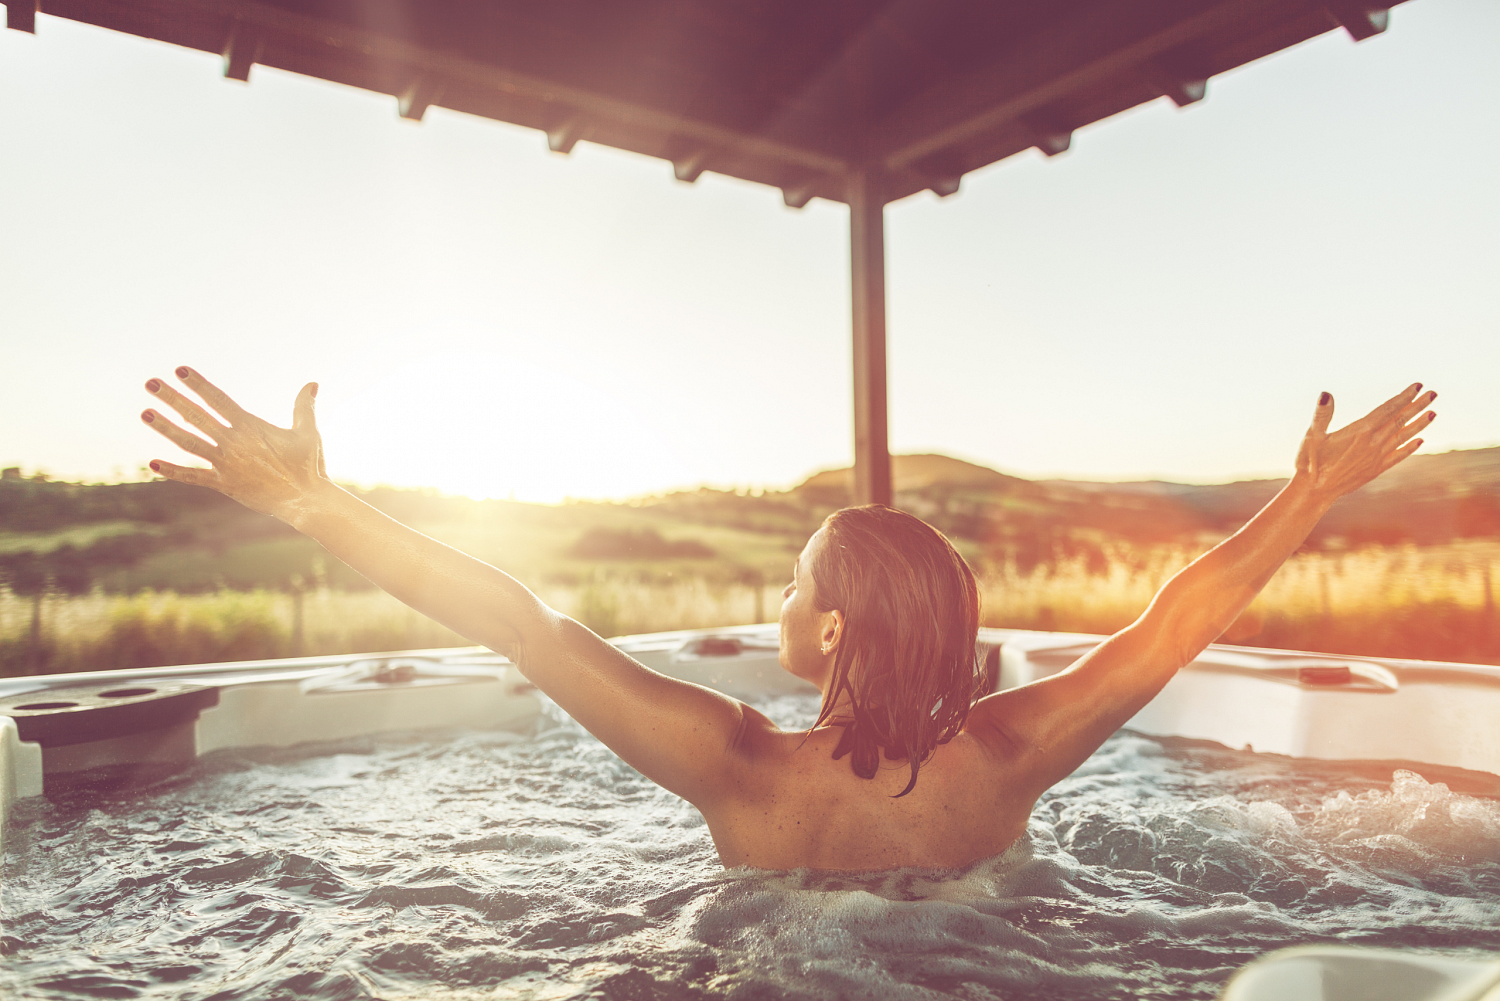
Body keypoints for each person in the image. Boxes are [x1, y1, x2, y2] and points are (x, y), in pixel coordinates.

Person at [138, 369, 1436, 871]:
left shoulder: (736, 769)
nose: (776, 594)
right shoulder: (1012, 759)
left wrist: (320, 509)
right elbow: (1177, 621)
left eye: (793, 579)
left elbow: (519, 623)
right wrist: (1308, 496)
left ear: (828, 633)